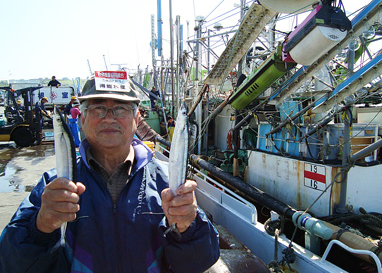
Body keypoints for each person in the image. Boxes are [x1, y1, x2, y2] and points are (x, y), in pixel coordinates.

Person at [0, 76, 219, 272]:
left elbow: (200, 262)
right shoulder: (54, 185)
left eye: (121, 109)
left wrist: (187, 226)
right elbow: (10, 262)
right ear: (82, 119)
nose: (109, 118)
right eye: (98, 108)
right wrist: (41, 227)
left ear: (136, 120)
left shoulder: (167, 182)